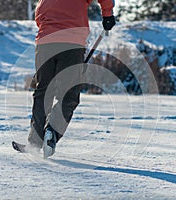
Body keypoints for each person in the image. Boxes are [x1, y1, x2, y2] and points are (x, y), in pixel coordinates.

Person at [13, 0, 116, 158]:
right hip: (71, 43)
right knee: (68, 93)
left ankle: (35, 142)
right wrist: (107, 15)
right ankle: (51, 133)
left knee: (43, 91)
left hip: (45, 42)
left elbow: (39, 14)